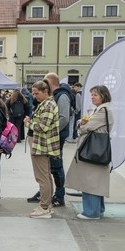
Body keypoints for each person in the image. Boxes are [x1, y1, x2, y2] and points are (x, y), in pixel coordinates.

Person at [66, 85, 113, 219]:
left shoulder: (103, 110)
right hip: (94, 150)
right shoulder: (101, 109)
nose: (92, 97)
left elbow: (86, 126)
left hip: (92, 151)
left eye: (95, 95)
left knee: (90, 181)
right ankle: (98, 209)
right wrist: (83, 123)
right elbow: (84, 123)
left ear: (103, 96)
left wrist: (82, 124)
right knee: (96, 181)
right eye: (91, 94)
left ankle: (91, 212)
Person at [27, 73, 72, 206]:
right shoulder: (53, 97)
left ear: (49, 84)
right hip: (49, 137)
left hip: (54, 138)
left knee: (55, 167)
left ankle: (58, 195)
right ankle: (45, 193)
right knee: (47, 170)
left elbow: (64, 118)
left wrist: (52, 132)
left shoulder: (61, 96)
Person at [24, 80, 60, 218]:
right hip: (42, 145)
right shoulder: (46, 103)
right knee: (45, 176)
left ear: (45, 91)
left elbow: (42, 127)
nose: (34, 96)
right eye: (33, 93)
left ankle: (44, 207)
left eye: (36, 93)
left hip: (42, 145)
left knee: (42, 177)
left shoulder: (48, 105)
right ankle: (47, 205)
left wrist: (28, 123)